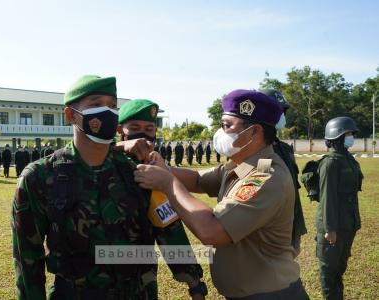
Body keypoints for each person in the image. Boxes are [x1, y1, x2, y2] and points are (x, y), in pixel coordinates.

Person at [12, 75, 206, 299]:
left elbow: (168, 229)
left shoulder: (139, 172)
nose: (107, 112)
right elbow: (27, 257)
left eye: (113, 106)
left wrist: (194, 282)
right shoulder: (40, 177)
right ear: (70, 115)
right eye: (96, 105)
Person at [134, 89, 309, 299]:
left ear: (253, 132)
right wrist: (164, 169)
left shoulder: (265, 176)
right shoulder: (244, 163)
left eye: (227, 126)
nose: (220, 132)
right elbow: (198, 180)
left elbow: (212, 231)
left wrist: (167, 183)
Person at [115, 98, 206, 297]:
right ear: (120, 130)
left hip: (138, 285)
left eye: (149, 128)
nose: (143, 134)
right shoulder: (101, 164)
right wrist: (118, 148)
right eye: (135, 127)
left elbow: (170, 229)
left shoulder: (152, 172)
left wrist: (194, 282)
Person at [317, 116, 363, 300]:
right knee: (329, 272)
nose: (351, 137)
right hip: (333, 227)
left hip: (348, 223)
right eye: (348, 133)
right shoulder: (330, 163)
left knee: (340, 268)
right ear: (337, 135)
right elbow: (328, 198)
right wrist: (330, 229)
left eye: (352, 133)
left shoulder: (349, 159)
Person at [260, 89, 307, 253]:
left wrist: (298, 227)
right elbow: (260, 190)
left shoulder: (285, 149)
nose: (283, 115)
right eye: (280, 111)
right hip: (273, 231)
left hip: (293, 223)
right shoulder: (262, 152)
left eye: (284, 111)